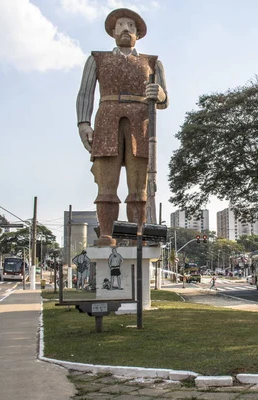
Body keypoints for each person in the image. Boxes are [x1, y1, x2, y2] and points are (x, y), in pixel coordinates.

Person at [76, 8, 169, 246]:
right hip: (107, 120)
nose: (125, 29)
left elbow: (165, 101)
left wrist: (158, 94)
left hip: (141, 125)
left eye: (131, 26)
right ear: (113, 31)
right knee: (106, 183)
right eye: (120, 25)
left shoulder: (152, 63)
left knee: (139, 187)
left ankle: (137, 234)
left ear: (138, 33)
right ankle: (107, 233)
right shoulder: (97, 59)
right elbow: (85, 93)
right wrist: (83, 122)